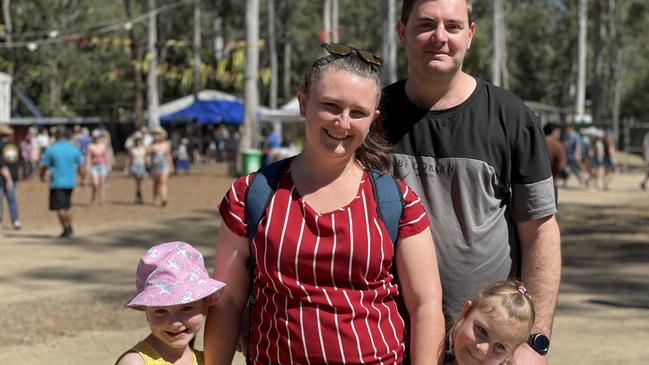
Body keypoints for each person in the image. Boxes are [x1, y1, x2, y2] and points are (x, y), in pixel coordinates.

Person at [204, 46, 445, 364]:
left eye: (357, 113)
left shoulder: (398, 203)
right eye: (331, 106)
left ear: (373, 119)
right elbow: (228, 302)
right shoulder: (250, 195)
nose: (343, 123)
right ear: (303, 103)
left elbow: (426, 305)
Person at [381, 1, 561, 364]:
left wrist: (535, 340)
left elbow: (540, 232)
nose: (440, 37)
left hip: (486, 350)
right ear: (402, 32)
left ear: (471, 34)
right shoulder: (373, 116)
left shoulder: (512, 118)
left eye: (453, 26)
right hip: (389, 340)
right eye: (426, 24)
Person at [115, 241, 226, 365]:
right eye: (160, 311)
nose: (175, 323)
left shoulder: (207, 360)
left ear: (205, 304)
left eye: (186, 308)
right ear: (146, 311)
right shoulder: (135, 362)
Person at [444, 281, 535, 365]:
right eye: (482, 331)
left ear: (509, 354)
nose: (483, 349)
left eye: (500, 346)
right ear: (466, 312)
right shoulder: (432, 356)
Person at [40, 128, 85, 238]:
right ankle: (69, 227)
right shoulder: (74, 149)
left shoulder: (51, 149)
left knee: (60, 208)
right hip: (70, 182)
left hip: (57, 183)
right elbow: (81, 167)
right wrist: (83, 178)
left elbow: (44, 166)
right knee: (67, 206)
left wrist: (41, 176)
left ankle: (67, 228)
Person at [0, 125, 22, 229]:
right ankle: (15, 220)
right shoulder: (15, 145)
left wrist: (7, 179)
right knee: (12, 199)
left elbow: (2, 165)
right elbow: (20, 161)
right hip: (13, 176)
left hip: (3, 177)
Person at [147, 127, 174, 207]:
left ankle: (164, 198)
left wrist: (171, 166)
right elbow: (147, 155)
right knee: (155, 183)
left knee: (163, 182)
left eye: (158, 134)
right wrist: (147, 164)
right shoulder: (152, 146)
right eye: (155, 134)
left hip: (164, 166)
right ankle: (155, 198)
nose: (156, 136)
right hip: (154, 167)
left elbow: (168, 156)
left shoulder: (166, 145)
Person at [543, 123, 567, 205]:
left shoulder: (534, 141)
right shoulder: (558, 145)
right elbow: (561, 165)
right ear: (555, 132)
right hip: (550, 184)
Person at [86, 129, 110, 204]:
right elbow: (88, 157)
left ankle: (102, 198)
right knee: (95, 183)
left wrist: (108, 165)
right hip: (94, 166)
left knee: (102, 183)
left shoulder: (103, 146)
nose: (96, 138)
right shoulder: (90, 146)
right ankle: (94, 196)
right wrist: (87, 165)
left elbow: (106, 156)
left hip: (102, 165)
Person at [125, 132, 148, 204]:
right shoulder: (131, 149)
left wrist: (148, 166)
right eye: (137, 140)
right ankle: (139, 197)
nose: (138, 141)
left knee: (140, 183)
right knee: (137, 183)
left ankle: (138, 196)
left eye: (139, 140)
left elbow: (146, 158)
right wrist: (126, 168)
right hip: (135, 166)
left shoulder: (144, 148)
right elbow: (128, 159)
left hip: (142, 166)